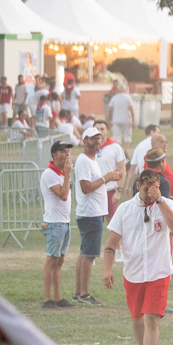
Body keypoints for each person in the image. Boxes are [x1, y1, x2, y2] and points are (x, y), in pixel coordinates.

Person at [102, 169, 173, 345]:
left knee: (152, 318)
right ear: (138, 186)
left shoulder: (166, 205)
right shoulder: (125, 210)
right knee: (137, 319)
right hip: (134, 273)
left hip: (159, 272)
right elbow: (110, 243)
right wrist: (107, 269)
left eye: (154, 186)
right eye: (146, 187)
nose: (150, 191)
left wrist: (160, 201)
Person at [72, 128, 113, 305]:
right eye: (92, 138)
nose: (97, 141)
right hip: (90, 213)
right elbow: (85, 187)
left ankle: (78, 292)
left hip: (91, 212)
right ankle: (84, 294)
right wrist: (107, 178)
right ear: (84, 141)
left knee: (84, 253)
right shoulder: (83, 161)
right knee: (89, 255)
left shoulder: (90, 160)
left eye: (99, 138)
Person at [40, 140, 74, 308]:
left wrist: (66, 174)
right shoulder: (50, 174)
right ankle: (47, 299)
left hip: (64, 223)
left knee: (59, 261)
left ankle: (58, 298)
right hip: (54, 223)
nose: (67, 154)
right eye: (63, 151)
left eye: (68, 151)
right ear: (54, 155)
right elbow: (63, 195)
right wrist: (68, 175)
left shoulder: (61, 173)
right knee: (51, 260)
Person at [106, 78, 135, 149]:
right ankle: (126, 150)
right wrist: (133, 120)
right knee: (127, 135)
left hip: (116, 119)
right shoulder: (128, 98)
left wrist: (109, 120)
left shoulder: (114, 98)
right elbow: (132, 110)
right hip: (126, 119)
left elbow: (110, 110)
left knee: (117, 136)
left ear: (117, 90)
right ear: (125, 90)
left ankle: (118, 149)